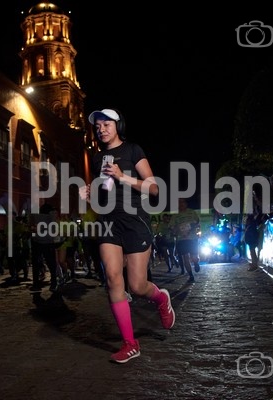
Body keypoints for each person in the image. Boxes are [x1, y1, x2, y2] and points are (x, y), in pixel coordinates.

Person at [80, 108, 175, 364]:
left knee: (137, 285)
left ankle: (161, 298)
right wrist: (90, 196)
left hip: (134, 221)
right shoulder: (97, 158)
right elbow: (102, 197)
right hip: (108, 223)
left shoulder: (133, 150)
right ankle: (130, 344)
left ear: (118, 125)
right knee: (112, 278)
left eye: (106, 124)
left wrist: (122, 177)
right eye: (98, 126)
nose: (101, 129)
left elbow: (154, 188)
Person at [169, 197, 201, 282]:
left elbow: (197, 222)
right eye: (179, 202)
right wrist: (175, 229)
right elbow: (171, 227)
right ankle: (191, 275)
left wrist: (192, 228)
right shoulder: (175, 215)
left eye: (182, 202)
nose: (181, 204)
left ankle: (196, 263)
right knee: (185, 257)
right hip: (181, 239)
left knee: (194, 256)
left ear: (186, 204)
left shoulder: (192, 212)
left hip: (192, 238)